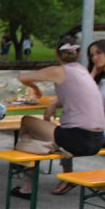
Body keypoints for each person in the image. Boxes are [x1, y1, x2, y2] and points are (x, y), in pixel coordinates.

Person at [14, 40, 105, 197]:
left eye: (98, 53)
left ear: (57, 54)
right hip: (97, 139)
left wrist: (36, 89)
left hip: (80, 139)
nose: (94, 57)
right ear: (80, 54)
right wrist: (54, 103)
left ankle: (27, 183)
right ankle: (34, 162)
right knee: (47, 128)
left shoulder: (59, 70)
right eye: (92, 55)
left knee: (26, 122)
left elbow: (22, 76)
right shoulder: (83, 72)